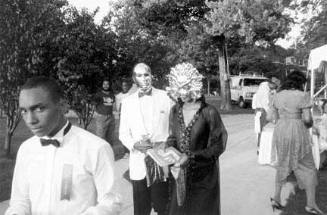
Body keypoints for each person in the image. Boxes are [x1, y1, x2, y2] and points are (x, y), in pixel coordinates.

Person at [5, 76, 121, 215]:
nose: (30, 120)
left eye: (39, 109)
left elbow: (111, 202)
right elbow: (20, 200)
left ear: (62, 105)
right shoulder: (26, 149)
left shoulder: (96, 148)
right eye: (24, 111)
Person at [165, 62, 228, 215]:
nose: (182, 92)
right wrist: (169, 148)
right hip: (179, 175)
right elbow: (172, 136)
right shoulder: (175, 110)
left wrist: (192, 157)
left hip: (204, 177)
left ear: (194, 85)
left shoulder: (209, 112)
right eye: (179, 88)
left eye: (186, 87)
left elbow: (218, 145)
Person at [119, 63, 173, 215]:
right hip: (138, 163)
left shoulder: (165, 97)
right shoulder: (127, 102)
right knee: (141, 210)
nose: (144, 78)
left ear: (151, 75)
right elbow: (123, 133)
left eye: (146, 74)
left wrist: (165, 144)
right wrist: (134, 145)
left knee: (163, 207)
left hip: (160, 161)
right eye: (139, 75)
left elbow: (173, 128)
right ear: (133, 78)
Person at [268, 71, 325, 214]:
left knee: (282, 164)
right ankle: (310, 204)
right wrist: (311, 124)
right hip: (297, 130)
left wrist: (284, 117)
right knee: (309, 167)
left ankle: (276, 197)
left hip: (281, 130)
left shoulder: (277, 95)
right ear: (300, 82)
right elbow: (307, 120)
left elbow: (271, 117)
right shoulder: (302, 95)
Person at [252, 76, 280, 153]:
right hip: (263, 111)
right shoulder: (264, 89)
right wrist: (272, 115)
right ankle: (261, 148)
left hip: (262, 110)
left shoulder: (265, 85)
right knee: (264, 130)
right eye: (275, 86)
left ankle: (262, 147)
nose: (275, 88)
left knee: (262, 130)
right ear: (271, 84)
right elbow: (265, 104)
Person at [94, 78, 116, 145]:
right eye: (104, 84)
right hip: (101, 117)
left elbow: (112, 104)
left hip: (111, 117)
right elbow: (93, 103)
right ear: (102, 85)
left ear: (109, 85)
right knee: (100, 137)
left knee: (110, 137)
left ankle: (109, 152)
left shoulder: (112, 94)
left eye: (107, 84)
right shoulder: (98, 94)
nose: (106, 85)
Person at [115, 79, 131, 157]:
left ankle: (131, 150)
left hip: (131, 116)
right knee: (124, 134)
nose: (125, 87)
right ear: (121, 86)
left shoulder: (132, 94)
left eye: (126, 85)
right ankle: (126, 152)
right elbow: (118, 108)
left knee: (132, 134)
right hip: (123, 117)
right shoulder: (119, 96)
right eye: (123, 85)